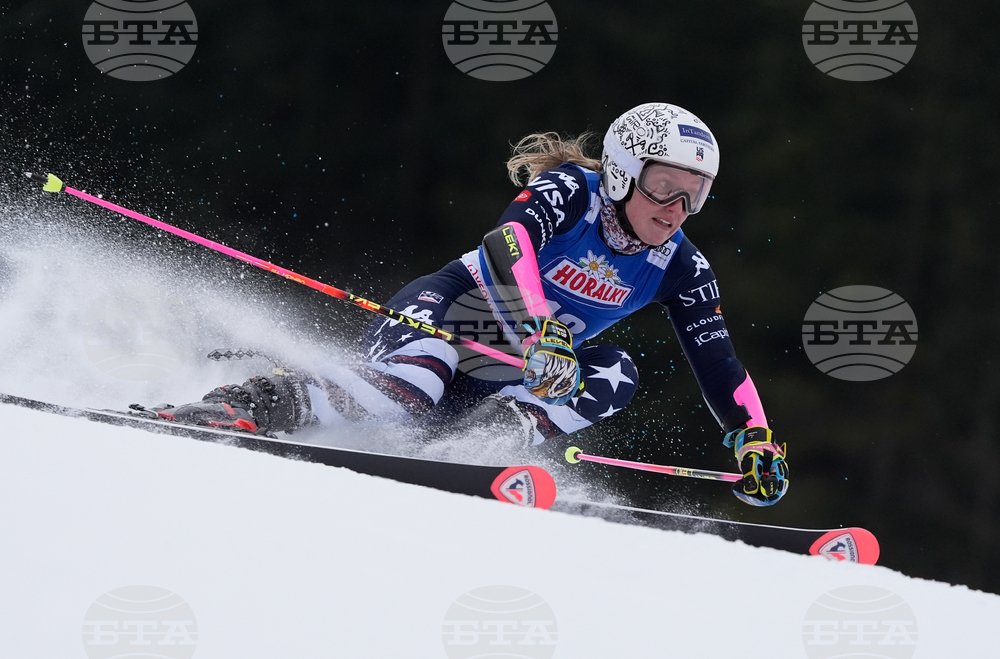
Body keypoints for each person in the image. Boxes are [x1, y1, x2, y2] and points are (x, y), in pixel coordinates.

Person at [141, 102, 789, 506]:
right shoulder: (572, 191)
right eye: (662, 187)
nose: (674, 210)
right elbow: (506, 242)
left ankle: (481, 444)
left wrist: (753, 438)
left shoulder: (682, 264)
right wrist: (540, 330)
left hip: (518, 373)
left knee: (618, 370)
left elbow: (718, 361)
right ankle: (248, 403)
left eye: (693, 195)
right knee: (413, 385)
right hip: (450, 316)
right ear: (621, 171)